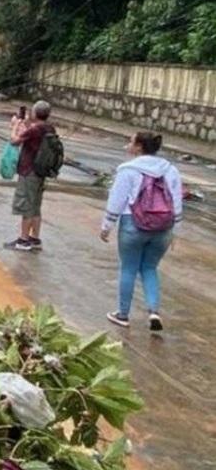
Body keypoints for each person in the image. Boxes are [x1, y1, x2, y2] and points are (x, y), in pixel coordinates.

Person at [101, 131, 182, 331]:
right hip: (163, 226)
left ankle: (122, 314)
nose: (128, 144)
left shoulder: (128, 170)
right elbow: (177, 201)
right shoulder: (170, 170)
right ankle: (154, 311)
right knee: (150, 268)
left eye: (130, 141)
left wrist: (107, 225)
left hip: (132, 223)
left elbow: (117, 200)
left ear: (138, 147)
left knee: (128, 268)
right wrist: (176, 230)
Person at [4, 101, 55, 252]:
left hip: (29, 171)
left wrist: (14, 126)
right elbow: (32, 135)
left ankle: (23, 240)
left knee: (26, 205)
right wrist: (25, 123)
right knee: (36, 205)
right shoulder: (49, 127)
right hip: (41, 172)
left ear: (35, 113)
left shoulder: (35, 130)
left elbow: (15, 141)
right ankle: (35, 238)